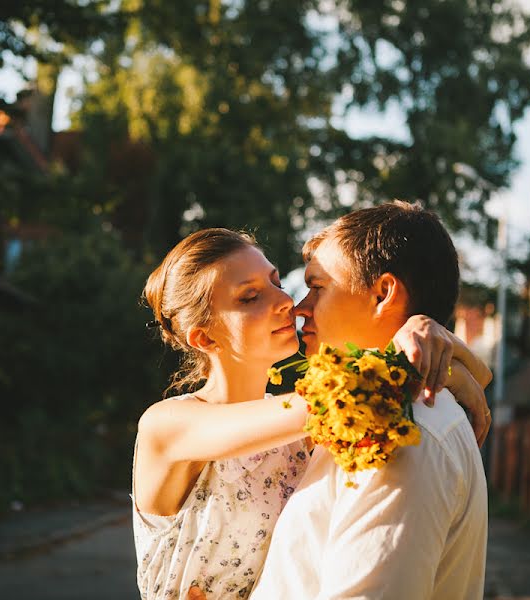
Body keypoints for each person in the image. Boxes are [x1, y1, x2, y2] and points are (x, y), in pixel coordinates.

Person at [133, 226, 491, 599]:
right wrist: (432, 352)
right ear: (205, 338)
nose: (286, 301)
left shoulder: (304, 434)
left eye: (275, 281)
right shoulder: (167, 426)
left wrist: (438, 346)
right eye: (251, 297)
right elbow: (341, 397)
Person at [250, 201, 489, 599]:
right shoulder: (371, 407)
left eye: (317, 287)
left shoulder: (397, 428)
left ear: (383, 294)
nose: (299, 308)